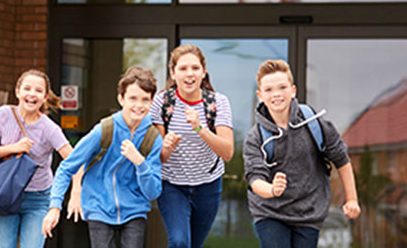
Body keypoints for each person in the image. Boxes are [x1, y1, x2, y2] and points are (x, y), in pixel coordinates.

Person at [243, 59, 359, 248]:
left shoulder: (315, 123)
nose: (277, 94)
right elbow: (255, 180)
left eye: (282, 87)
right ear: (260, 95)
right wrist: (272, 189)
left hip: (308, 212)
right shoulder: (255, 137)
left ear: (293, 90)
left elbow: (341, 158)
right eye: (269, 90)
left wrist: (352, 199)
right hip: (270, 212)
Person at [42, 66, 163, 248]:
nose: (139, 105)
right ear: (121, 99)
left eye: (145, 99)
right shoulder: (104, 130)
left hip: (134, 210)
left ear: (152, 101)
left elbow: (153, 192)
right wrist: (55, 207)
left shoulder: (153, 138)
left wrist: (139, 161)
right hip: (98, 206)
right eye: (133, 98)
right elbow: (67, 168)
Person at [0, 68, 76, 248]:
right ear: (18, 92)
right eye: (27, 89)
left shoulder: (49, 128)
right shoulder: (4, 114)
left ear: (45, 97)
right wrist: (14, 147)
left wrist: (69, 196)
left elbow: (73, 161)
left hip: (38, 198)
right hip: (6, 193)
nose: (32, 94)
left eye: (39, 91)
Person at [149, 44, 234, 248]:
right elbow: (158, 158)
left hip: (208, 185)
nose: (190, 74)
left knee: (194, 244)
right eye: (183, 68)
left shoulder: (218, 103)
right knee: (179, 242)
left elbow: (228, 152)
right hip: (172, 185)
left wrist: (200, 129)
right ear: (173, 72)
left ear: (204, 72)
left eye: (195, 68)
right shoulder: (162, 103)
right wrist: (167, 147)